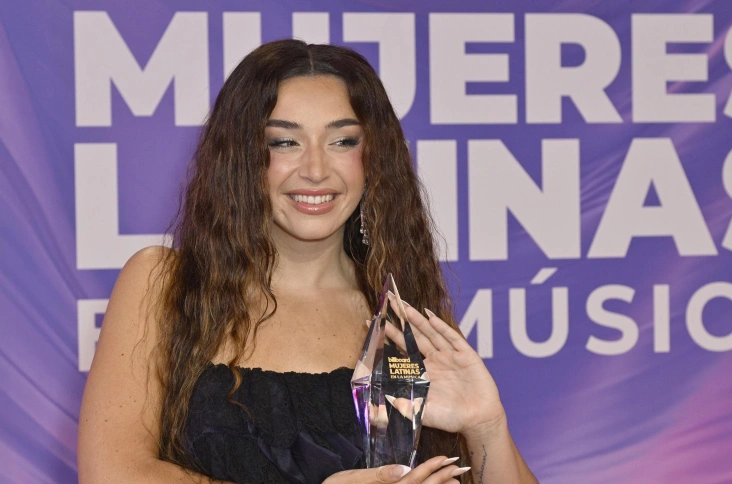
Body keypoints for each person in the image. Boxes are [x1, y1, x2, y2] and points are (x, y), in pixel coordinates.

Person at [78, 39, 537, 484]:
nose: (316, 170)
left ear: (373, 157)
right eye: (284, 142)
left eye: (342, 141)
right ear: (241, 157)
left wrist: (486, 425)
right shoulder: (165, 283)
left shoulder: (399, 312)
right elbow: (113, 474)